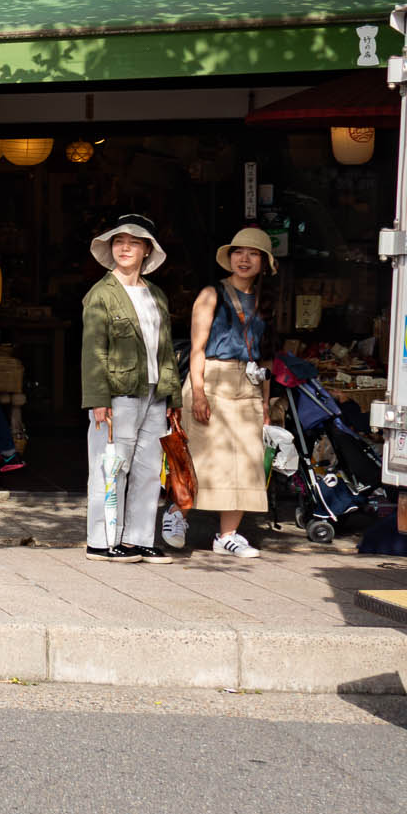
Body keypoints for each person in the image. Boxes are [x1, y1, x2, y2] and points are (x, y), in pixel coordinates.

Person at [81, 214, 184, 561]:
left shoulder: (156, 294)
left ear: (147, 250)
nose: (125, 247)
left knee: (147, 470)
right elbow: (93, 350)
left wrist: (174, 395)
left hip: (154, 393)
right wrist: (97, 399)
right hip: (118, 394)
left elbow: (166, 349)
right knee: (110, 467)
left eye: (134, 242)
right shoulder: (101, 294)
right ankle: (101, 540)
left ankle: (138, 538)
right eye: (119, 241)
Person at [185, 226, 275, 558]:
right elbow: (197, 347)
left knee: (246, 460)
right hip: (212, 375)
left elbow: (267, 355)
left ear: (264, 262)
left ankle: (228, 535)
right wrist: (198, 391)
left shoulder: (265, 300)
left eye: (253, 254)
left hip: (249, 380)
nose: (244, 259)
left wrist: (266, 402)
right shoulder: (212, 294)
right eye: (238, 252)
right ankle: (176, 515)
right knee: (204, 455)